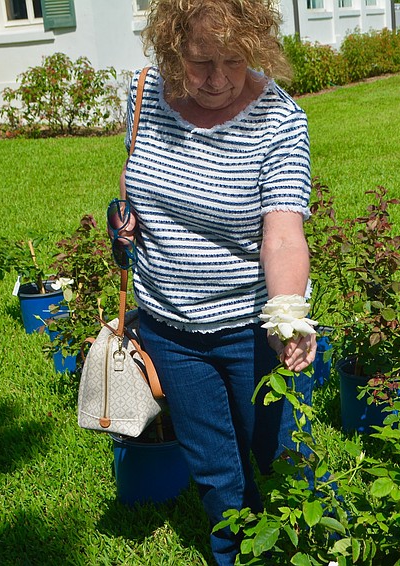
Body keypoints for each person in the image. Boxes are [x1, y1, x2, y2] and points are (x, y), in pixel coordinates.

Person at [115, 0, 317, 563]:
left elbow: (281, 235)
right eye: (202, 60)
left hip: (251, 329)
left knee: (281, 453)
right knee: (215, 471)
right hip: (171, 328)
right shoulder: (140, 95)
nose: (219, 78)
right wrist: (125, 221)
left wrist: (286, 313)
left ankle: (318, 544)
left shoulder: (280, 121)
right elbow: (142, 182)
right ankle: (240, 555)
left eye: (236, 60)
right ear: (171, 45)